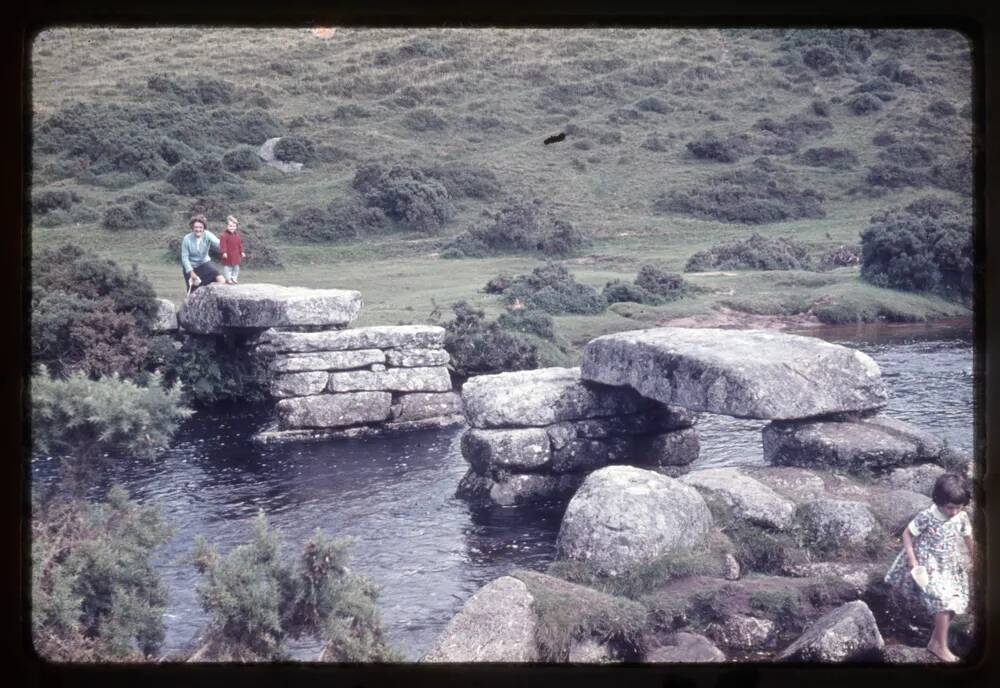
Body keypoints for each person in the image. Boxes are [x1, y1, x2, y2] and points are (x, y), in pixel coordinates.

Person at [884, 472, 974, 662]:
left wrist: (975, 559)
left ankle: (935, 641)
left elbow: (968, 539)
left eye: (959, 507)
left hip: (949, 564)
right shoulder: (927, 516)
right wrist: (912, 559)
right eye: (950, 508)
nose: (954, 512)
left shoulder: (961, 517)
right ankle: (941, 648)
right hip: (928, 564)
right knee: (942, 602)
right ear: (939, 501)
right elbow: (907, 534)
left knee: (955, 602)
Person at [180, 214, 226, 293]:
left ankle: (210, 298)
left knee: (221, 280)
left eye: (200, 227)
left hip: (204, 264)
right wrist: (191, 273)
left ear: (204, 228)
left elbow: (218, 243)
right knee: (193, 292)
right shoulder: (186, 239)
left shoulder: (207, 235)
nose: (198, 230)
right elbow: (184, 258)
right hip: (190, 267)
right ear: (192, 228)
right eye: (196, 227)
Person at [219, 215, 245, 285]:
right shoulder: (224, 235)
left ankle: (234, 278)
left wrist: (242, 252)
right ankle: (228, 279)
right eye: (230, 226)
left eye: (234, 226)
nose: (232, 228)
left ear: (236, 227)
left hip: (236, 255)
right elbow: (222, 245)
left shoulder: (237, 236)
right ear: (227, 226)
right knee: (228, 268)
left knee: (236, 268)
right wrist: (224, 252)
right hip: (228, 255)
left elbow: (240, 244)